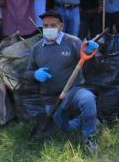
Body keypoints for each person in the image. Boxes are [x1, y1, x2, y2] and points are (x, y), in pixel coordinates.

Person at [26, 10, 100, 152]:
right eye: (45, 26)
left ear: (61, 26)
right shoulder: (37, 48)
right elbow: (27, 73)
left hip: (73, 91)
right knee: (64, 129)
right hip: (51, 98)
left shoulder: (73, 42)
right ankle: (86, 121)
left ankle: (90, 137)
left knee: (88, 99)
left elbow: (90, 66)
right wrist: (35, 74)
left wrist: (92, 54)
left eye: (52, 25)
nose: (48, 29)